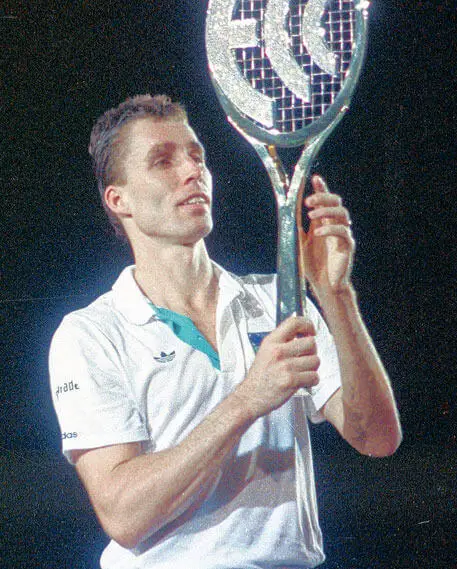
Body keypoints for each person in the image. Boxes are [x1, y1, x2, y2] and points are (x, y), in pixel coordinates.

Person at [49, 93, 402, 569]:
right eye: (163, 161)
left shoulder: (279, 301)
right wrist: (247, 399)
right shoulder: (90, 335)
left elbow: (376, 437)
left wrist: (336, 296)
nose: (193, 171)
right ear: (119, 199)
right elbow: (123, 514)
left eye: (197, 156)